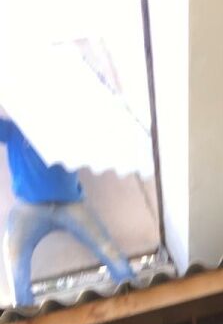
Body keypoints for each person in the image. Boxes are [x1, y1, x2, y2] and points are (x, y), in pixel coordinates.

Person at [0, 117, 133, 305]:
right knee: (13, 252)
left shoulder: (67, 123)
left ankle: (131, 288)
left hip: (71, 203)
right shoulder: (15, 128)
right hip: (29, 207)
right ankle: (23, 310)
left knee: (106, 247)